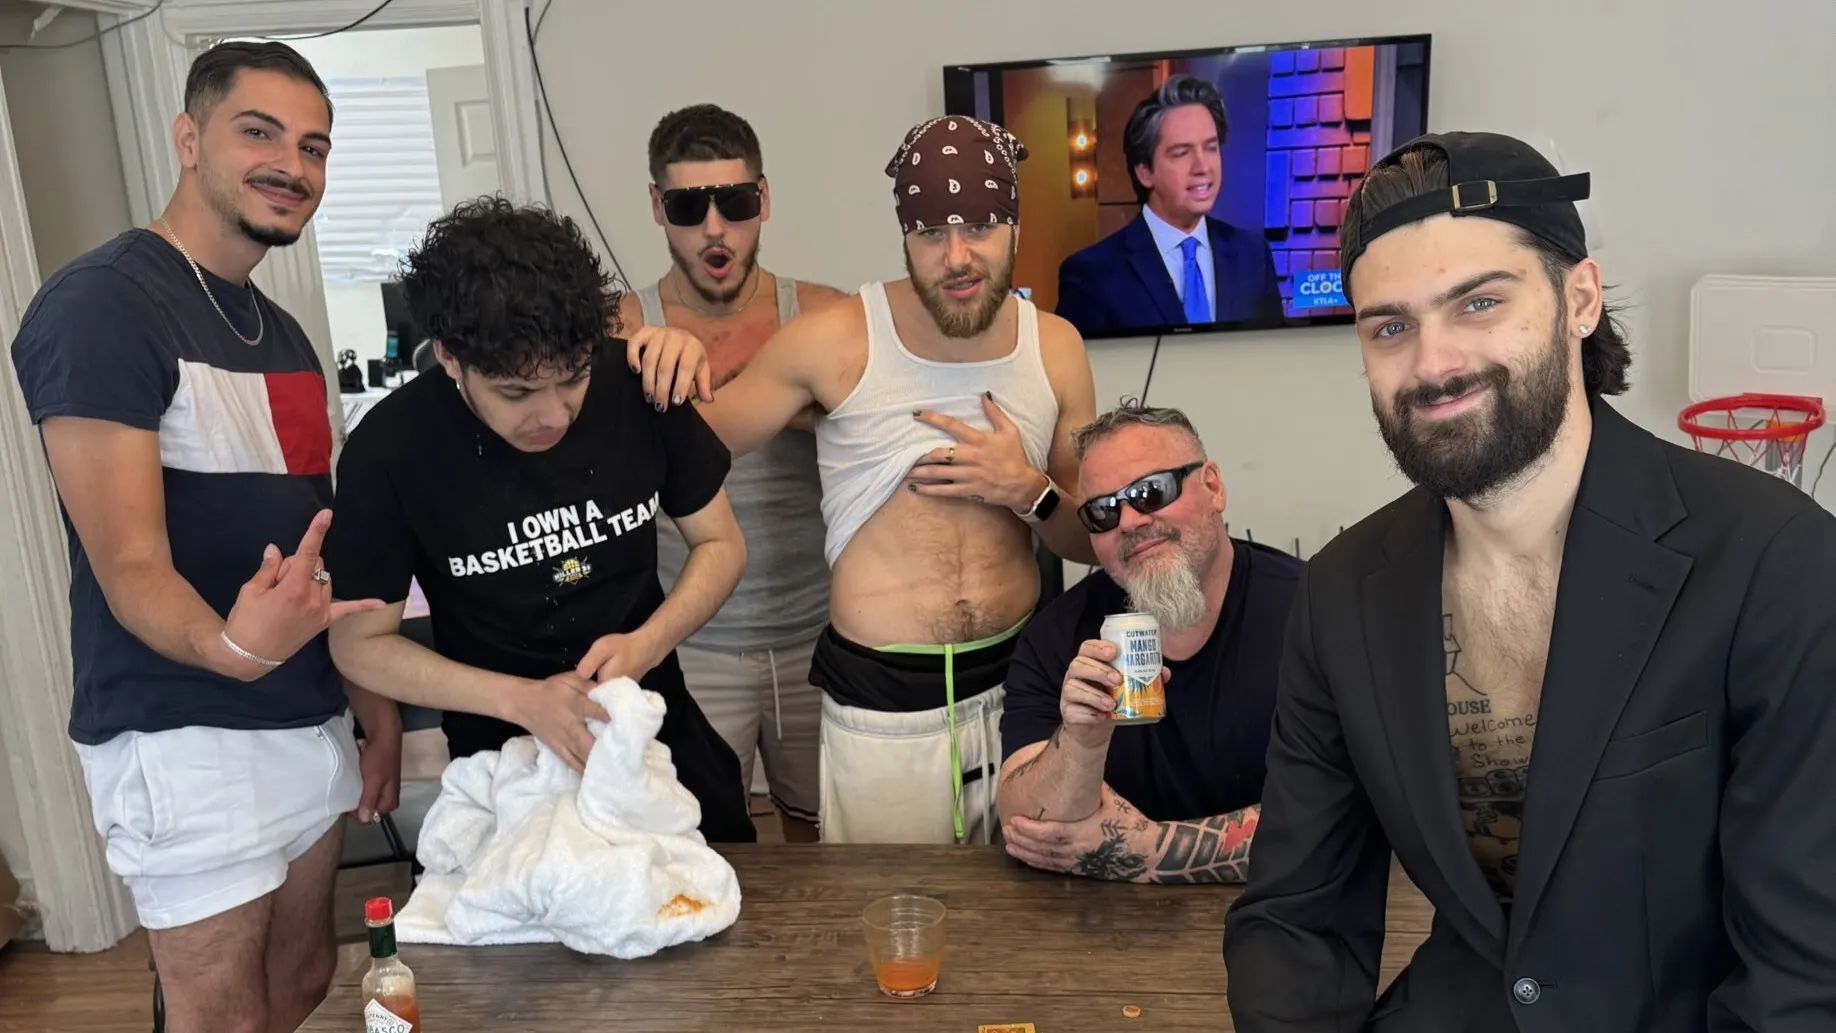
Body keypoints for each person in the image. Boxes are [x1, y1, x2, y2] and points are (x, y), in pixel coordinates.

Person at [1223, 131, 1836, 1031]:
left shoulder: (1774, 559)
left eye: (1478, 302)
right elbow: (1294, 918)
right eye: (1390, 326)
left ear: (1579, 298)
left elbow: (1804, 976)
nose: (1433, 363)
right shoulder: (1342, 592)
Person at [7, 42, 399, 1033]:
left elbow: (316, 551)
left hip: (303, 714)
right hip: (182, 728)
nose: (291, 165)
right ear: (189, 139)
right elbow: (129, 563)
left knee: (302, 974)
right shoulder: (102, 304)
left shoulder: (287, 335)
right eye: (258, 132)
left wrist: (371, 704)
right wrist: (231, 647)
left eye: (313, 147)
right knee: (221, 1015)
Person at [695, 115, 1099, 845]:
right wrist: (655, 358)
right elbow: (693, 444)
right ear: (904, 235)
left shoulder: (1057, 348)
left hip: (1021, 691)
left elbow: (1091, 540)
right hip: (882, 712)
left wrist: (1028, 490)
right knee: (886, 908)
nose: (956, 256)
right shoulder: (836, 339)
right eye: (930, 232)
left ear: (1013, 226)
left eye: (980, 227)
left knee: (1033, 903)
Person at [322, 197, 758, 845]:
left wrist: (647, 643)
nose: (553, 415)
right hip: (502, 761)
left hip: (652, 731)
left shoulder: (637, 383)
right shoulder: (391, 450)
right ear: (449, 356)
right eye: (516, 393)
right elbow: (358, 643)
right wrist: (521, 700)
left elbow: (721, 543)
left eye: (573, 378)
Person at [616, 103, 849, 842]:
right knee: (698, 851)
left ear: (764, 200)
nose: (714, 228)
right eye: (689, 207)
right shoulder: (619, 328)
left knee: (825, 847)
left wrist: (788, 399)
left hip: (821, 632)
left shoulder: (825, 316)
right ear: (658, 207)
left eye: (735, 202)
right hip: (691, 643)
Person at [994, 405, 1297, 882]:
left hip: (1288, 911)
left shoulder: (1315, 612)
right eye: (1103, 511)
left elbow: (1347, 812)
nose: (1130, 521)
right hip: (1099, 918)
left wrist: (1149, 851)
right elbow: (1025, 825)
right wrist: (1081, 741)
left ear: (1213, 487)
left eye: (1150, 492)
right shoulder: (1056, 635)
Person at [1055, 74, 1283, 337]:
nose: (1203, 167)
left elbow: (1276, 353)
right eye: (1181, 153)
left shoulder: (1253, 256)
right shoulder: (1092, 275)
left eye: (1211, 148)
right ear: (1144, 171)